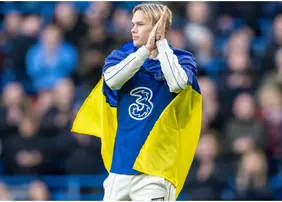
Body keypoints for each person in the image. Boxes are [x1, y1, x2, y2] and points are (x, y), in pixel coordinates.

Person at [72, 3, 202, 201]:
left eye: (140, 24)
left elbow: (177, 83)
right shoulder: (121, 56)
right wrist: (144, 52)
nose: (132, 29)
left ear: (157, 26)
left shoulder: (182, 59)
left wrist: (161, 44)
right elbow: (112, 81)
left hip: (156, 170)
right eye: (133, 24)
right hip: (120, 167)